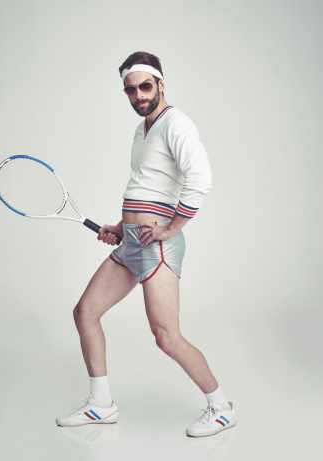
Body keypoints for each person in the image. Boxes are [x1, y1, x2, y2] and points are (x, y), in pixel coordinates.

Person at [56, 51, 237, 437]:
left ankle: (221, 408)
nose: (138, 95)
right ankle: (101, 405)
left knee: (166, 337)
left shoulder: (177, 125)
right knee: (85, 312)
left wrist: (171, 229)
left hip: (157, 245)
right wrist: (122, 226)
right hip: (132, 241)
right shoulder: (142, 131)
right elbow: (147, 187)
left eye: (145, 86)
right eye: (130, 90)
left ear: (161, 83)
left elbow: (200, 179)